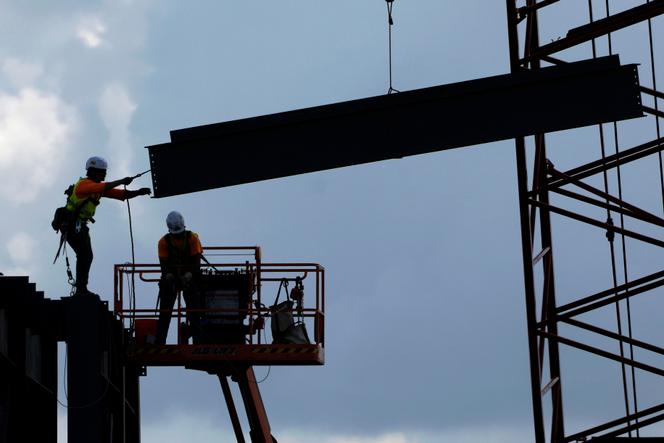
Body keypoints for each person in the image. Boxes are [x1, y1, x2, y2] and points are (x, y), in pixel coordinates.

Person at [65, 156, 151, 296]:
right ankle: (81, 289)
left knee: (85, 256)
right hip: (73, 227)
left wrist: (138, 192)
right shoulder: (84, 185)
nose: (104, 174)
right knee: (85, 255)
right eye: (101, 172)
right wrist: (122, 181)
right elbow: (103, 186)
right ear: (92, 171)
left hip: (79, 226)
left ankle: (81, 288)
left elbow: (119, 194)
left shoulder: (96, 187)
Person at [155, 211, 204, 345]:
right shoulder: (163, 242)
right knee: (165, 311)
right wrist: (169, 276)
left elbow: (196, 263)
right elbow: (164, 266)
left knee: (194, 310)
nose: (178, 236)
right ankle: (160, 341)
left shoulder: (192, 238)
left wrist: (189, 275)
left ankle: (198, 342)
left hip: (190, 277)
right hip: (172, 279)